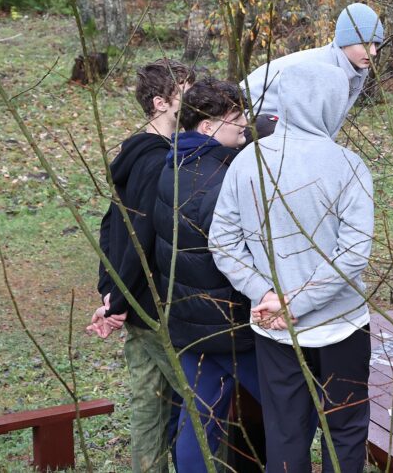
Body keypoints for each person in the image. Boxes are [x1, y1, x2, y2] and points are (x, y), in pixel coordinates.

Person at [210, 61, 374, 473]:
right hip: (339, 326)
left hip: (276, 325)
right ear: (333, 102)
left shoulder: (247, 161)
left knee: (285, 433)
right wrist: (291, 302)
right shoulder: (348, 165)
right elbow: (354, 252)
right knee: (345, 431)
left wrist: (268, 296)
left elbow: (223, 242)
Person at [87, 58, 194, 473]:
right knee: (201, 403)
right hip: (153, 309)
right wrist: (116, 301)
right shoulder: (157, 162)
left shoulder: (136, 152)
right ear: (160, 102)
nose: (194, 99)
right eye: (185, 91)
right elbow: (139, 237)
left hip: (135, 304)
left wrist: (110, 293)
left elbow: (109, 225)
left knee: (149, 406)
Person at [152, 77, 263, 472]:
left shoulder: (174, 165)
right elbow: (239, 253)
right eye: (236, 117)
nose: (245, 123)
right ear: (207, 126)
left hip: (188, 320)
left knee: (200, 420)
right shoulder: (220, 179)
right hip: (228, 324)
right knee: (293, 406)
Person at [240, 2, 384, 139]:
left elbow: (331, 125)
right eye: (365, 44)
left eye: (376, 44)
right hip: (246, 120)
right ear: (345, 42)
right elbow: (309, 131)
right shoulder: (322, 70)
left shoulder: (358, 70)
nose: (373, 52)